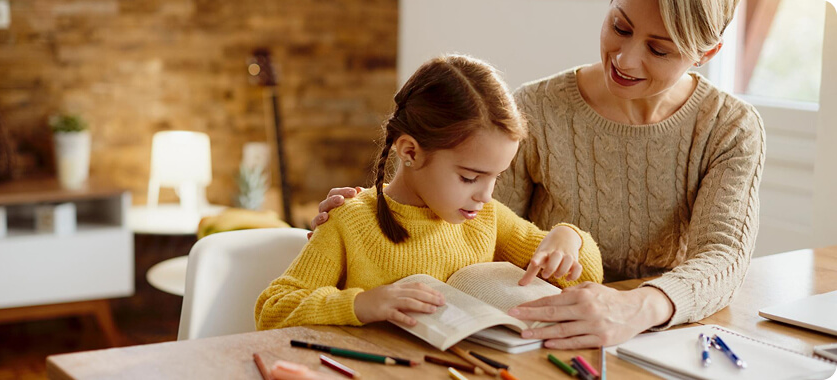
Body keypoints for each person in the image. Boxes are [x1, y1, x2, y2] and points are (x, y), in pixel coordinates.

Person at [310, 0, 765, 349]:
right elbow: (468, 232)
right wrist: (369, 216)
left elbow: (723, 257)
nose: (625, 60)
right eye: (619, 27)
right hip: (541, 341)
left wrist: (636, 307)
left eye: (659, 49)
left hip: (665, 337)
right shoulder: (537, 109)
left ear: (706, 52)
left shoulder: (729, 128)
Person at [255, 55, 604, 331]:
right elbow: (273, 309)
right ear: (410, 152)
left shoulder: (487, 218)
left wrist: (567, 238)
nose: (485, 194)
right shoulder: (349, 221)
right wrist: (361, 304)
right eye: (470, 177)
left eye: (496, 177)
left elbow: (589, 277)